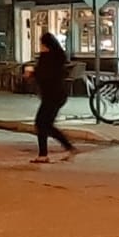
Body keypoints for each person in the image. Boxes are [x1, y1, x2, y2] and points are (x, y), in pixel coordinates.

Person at [31, 32, 76, 163]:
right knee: (46, 124)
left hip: (52, 95)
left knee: (41, 123)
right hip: (58, 95)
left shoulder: (47, 57)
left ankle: (44, 154)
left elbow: (44, 74)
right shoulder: (58, 55)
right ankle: (67, 146)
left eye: (42, 43)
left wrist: (33, 73)